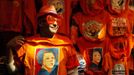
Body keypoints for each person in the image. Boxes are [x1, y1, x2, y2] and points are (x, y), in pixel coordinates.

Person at [16, 5, 79, 75]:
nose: (55, 24)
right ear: (40, 23)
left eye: (58, 21)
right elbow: (15, 71)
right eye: (51, 19)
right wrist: (8, 48)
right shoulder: (27, 45)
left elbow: (73, 71)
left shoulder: (66, 44)